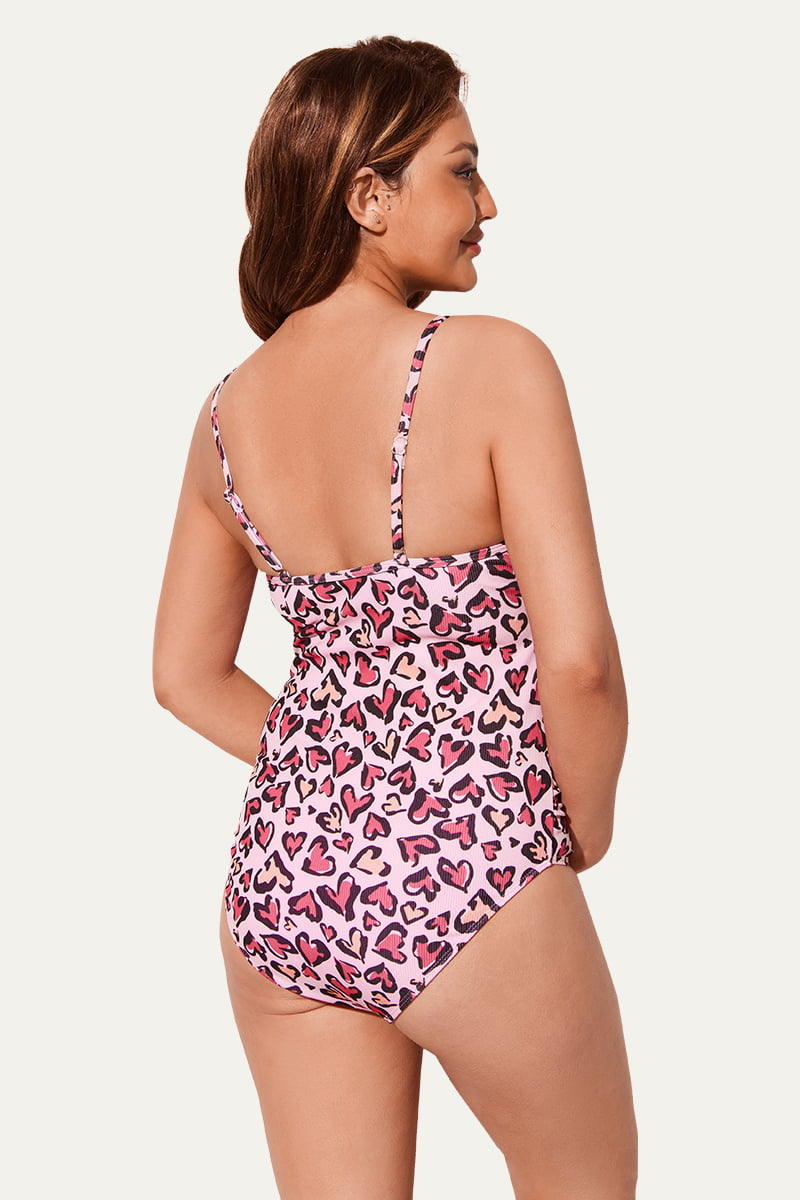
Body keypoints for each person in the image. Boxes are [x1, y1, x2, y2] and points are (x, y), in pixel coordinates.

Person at [153, 34, 638, 1199]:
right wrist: (574, 829)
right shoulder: (495, 364)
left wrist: (343, 770)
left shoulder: (225, 418)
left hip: (287, 879)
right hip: (475, 863)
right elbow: (576, 663)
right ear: (368, 198)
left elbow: (183, 673)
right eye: (461, 171)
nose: (488, 203)